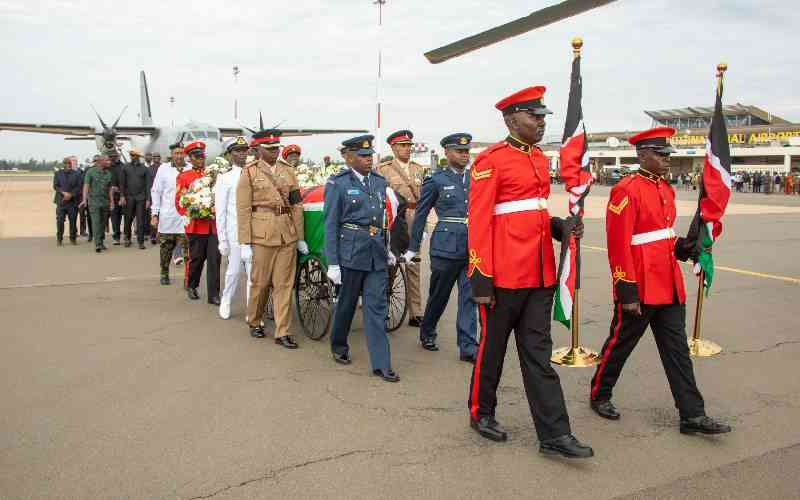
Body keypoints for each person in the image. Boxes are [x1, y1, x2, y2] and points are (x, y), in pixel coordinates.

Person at [466, 85, 593, 458]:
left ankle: (554, 434)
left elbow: (531, 212)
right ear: (511, 119)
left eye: (542, 117)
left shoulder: (539, 159)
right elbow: (480, 222)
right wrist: (480, 278)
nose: (540, 122)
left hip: (539, 274)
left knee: (538, 355)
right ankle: (481, 412)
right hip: (502, 276)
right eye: (533, 116)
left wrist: (559, 227)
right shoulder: (491, 160)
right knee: (492, 350)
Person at [589, 126, 732, 437]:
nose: (668, 160)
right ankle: (600, 393)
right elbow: (619, 244)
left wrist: (688, 247)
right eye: (662, 154)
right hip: (639, 285)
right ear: (643, 155)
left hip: (668, 284)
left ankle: (692, 415)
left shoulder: (665, 189)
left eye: (669, 154)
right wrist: (626, 290)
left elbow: (662, 237)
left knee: (677, 351)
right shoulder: (626, 190)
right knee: (620, 344)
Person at [324, 135, 399, 382]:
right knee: (346, 304)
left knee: (376, 308)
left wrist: (387, 248)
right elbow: (331, 224)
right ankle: (338, 344)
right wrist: (333, 263)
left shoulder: (378, 182)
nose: (369, 160)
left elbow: (381, 220)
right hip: (351, 253)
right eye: (363, 156)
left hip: (375, 253)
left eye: (370, 156)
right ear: (349, 158)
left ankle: (381, 363)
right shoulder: (338, 184)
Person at [403, 133, 478, 363]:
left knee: (469, 297)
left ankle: (467, 346)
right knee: (439, 296)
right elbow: (422, 213)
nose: (464, 155)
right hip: (445, 247)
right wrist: (413, 247)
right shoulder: (436, 180)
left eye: (466, 151)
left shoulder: (476, 179)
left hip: (472, 248)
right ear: (447, 153)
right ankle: (427, 331)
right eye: (459, 151)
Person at [236, 130, 307, 348]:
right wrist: (245, 243)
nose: (274, 152)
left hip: (286, 233)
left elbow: (296, 204)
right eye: (269, 149)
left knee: (284, 284)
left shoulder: (288, 171)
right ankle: (254, 320)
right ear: (258, 150)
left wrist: (300, 237)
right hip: (262, 235)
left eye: (276, 148)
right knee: (260, 283)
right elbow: (243, 209)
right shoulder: (249, 173)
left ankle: (282, 331)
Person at [377, 130, 424, 327]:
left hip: (414, 219)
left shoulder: (418, 168)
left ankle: (416, 312)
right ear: (393, 147)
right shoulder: (384, 169)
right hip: (396, 221)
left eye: (409, 146)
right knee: (391, 266)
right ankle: (384, 308)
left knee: (414, 264)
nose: (407, 149)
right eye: (403, 145)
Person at [176, 141, 221, 304]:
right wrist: (195, 210)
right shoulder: (184, 177)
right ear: (190, 158)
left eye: (202, 156)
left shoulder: (212, 175)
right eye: (197, 157)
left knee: (215, 259)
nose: (201, 159)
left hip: (213, 226)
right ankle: (192, 285)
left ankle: (214, 294)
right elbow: (180, 201)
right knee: (197, 259)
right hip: (196, 225)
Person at [216, 136, 252, 319]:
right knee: (234, 271)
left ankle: (251, 310)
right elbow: (220, 211)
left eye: (244, 150)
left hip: (254, 230)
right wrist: (222, 239)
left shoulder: (253, 174)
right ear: (230, 155)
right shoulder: (225, 178)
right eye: (237, 151)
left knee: (253, 274)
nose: (242, 154)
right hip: (235, 231)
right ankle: (226, 300)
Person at [150, 141, 188, 285]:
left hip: (185, 218)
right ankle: (164, 273)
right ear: (171, 155)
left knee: (188, 250)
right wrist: (155, 214)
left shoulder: (190, 168)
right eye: (176, 153)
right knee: (166, 249)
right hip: (168, 216)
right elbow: (156, 191)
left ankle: (188, 277)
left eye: (181, 153)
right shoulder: (163, 169)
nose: (179, 156)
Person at [79, 154, 114, 253]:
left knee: (103, 224)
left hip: (105, 202)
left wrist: (112, 202)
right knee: (96, 222)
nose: (109, 162)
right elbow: (86, 186)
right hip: (94, 202)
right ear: (100, 161)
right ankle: (97, 244)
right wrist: (84, 199)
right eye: (107, 160)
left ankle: (101, 242)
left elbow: (110, 189)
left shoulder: (108, 173)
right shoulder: (91, 172)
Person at [120, 149, 150, 249]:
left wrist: (148, 199)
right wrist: (122, 196)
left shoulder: (144, 169)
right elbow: (122, 184)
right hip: (128, 197)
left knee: (140, 220)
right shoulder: (125, 167)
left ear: (139, 157)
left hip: (141, 198)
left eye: (135, 156)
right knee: (128, 219)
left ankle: (140, 242)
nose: (133, 157)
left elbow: (147, 185)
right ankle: (127, 239)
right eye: (132, 155)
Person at [53, 157, 83, 246]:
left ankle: (73, 238)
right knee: (60, 221)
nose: (68, 165)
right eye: (66, 163)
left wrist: (71, 195)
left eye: (69, 163)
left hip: (72, 202)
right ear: (63, 164)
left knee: (73, 221)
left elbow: (79, 187)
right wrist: (64, 193)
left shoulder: (77, 174)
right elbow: (55, 186)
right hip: (61, 201)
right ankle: (59, 239)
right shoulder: (58, 174)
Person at [107, 151, 125, 244]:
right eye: (111, 156)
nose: (113, 158)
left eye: (115, 156)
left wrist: (121, 191)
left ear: (118, 156)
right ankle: (116, 236)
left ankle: (127, 235)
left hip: (123, 196)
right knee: (114, 217)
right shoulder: (107, 168)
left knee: (126, 217)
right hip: (111, 196)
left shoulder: (123, 166)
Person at [145, 152, 162, 245]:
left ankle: (160, 235)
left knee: (162, 216)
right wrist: (148, 199)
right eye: (155, 157)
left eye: (158, 157)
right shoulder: (149, 169)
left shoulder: (164, 168)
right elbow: (147, 185)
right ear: (152, 158)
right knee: (153, 216)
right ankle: (152, 236)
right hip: (153, 196)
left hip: (163, 196)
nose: (156, 158)